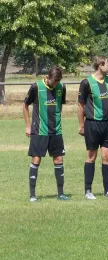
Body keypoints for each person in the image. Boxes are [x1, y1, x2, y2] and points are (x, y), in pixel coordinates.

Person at [23, 67, 69, 202]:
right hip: (39, 131)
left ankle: (60, 193)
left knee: (59, 160)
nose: (56, 84)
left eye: (58, 82)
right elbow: (25, 105)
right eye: (54, 81)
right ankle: (32, 195)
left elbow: (60, 105)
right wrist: (28, 126)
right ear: (48, 77)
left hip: (56, 131)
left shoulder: (62, 87)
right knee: (36, 160)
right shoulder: (36, 87)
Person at [78, 56, 108, 199]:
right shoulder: (86, 82)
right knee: (92, 156)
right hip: (93, 124)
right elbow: (81, 106)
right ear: (100, 65)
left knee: (107, 157)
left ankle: (107, 190)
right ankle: (88, 191)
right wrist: (81, 125)